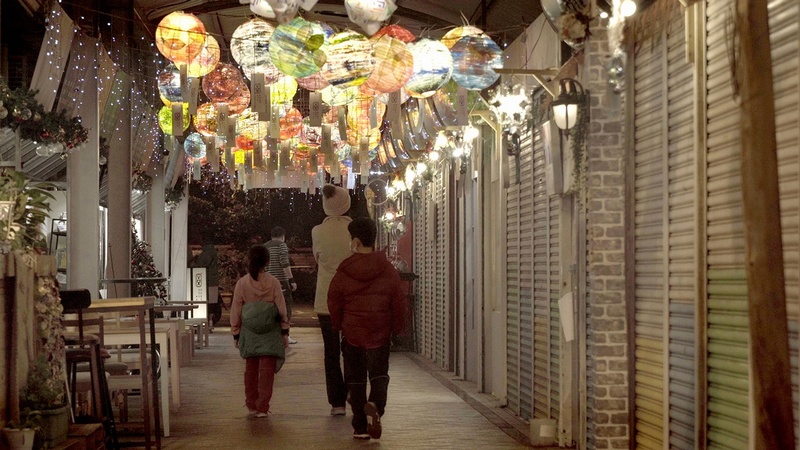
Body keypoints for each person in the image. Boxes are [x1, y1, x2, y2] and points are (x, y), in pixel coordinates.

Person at [327, 218, 406, 440]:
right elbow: (398, 301)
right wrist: (397, 328)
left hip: (352, 333)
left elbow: (334, 300)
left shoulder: (345, 270)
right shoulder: (388, 269)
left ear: (356, 241)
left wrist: (337, 325)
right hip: (380, 331)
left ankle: (360, 427)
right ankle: (376, 405)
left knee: (356, 380)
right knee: (379, 375)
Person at [230, 245, 291, 418]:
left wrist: (236, 332)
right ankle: (263, 406)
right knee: (267, 371)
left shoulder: (242, 283)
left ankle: (251, 404)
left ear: (250, 260)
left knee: (250, 369)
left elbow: (236, 310)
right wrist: (284, 331)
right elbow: (282, 309)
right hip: (270, 332)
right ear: (267, 262)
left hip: (249, 332)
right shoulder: (274, 282)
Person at [311, 184, 352, 416]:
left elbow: (318, 258)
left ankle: (337, 402)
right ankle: (352, 390)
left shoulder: (317, 231)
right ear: (346, 203)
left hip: (325, 299)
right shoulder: (354, 230)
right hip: (351, 299)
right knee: (351, 348)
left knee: (331, 351)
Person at [264, 226, 298, 344]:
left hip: (268, 281)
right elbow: (285, 263)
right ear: (283, 236)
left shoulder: (265, 246)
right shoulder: (282, 246)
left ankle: (271, 334)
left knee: (270, 308)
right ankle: (285, 335)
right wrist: (292, 280)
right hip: (281, 282)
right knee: (285, 308)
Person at [190, 238, 221, 329]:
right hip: (213, 281)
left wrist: (194, 259)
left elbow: (201, 264)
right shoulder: (212, 251)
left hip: (207, 281)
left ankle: (208, 321)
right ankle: (210, 321)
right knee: (212, 302)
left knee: (207, 302)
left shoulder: (208, 251)